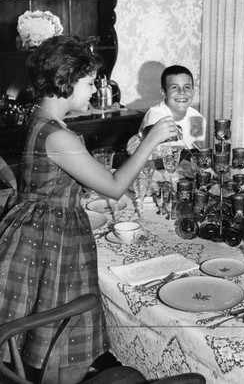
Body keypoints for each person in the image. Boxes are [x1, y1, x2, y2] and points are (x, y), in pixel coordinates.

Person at [0, 36, 177, 384]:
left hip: (39, 230)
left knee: (50, 327)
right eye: (86, 83)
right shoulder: (58, 135)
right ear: (64, 82)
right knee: (65, 329)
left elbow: (55, 180)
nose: (92, 92)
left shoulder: (42, 119)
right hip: (55, 241)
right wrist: (150, 140)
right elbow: (112, 186)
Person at [127, 65, 206, 155]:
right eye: (174, 87)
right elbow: (151, 154)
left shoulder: (198, 118)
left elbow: (197, 152)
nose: (182, 92)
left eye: (187, 87)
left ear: (193, 92)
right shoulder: (155, 115)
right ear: (164, 93)